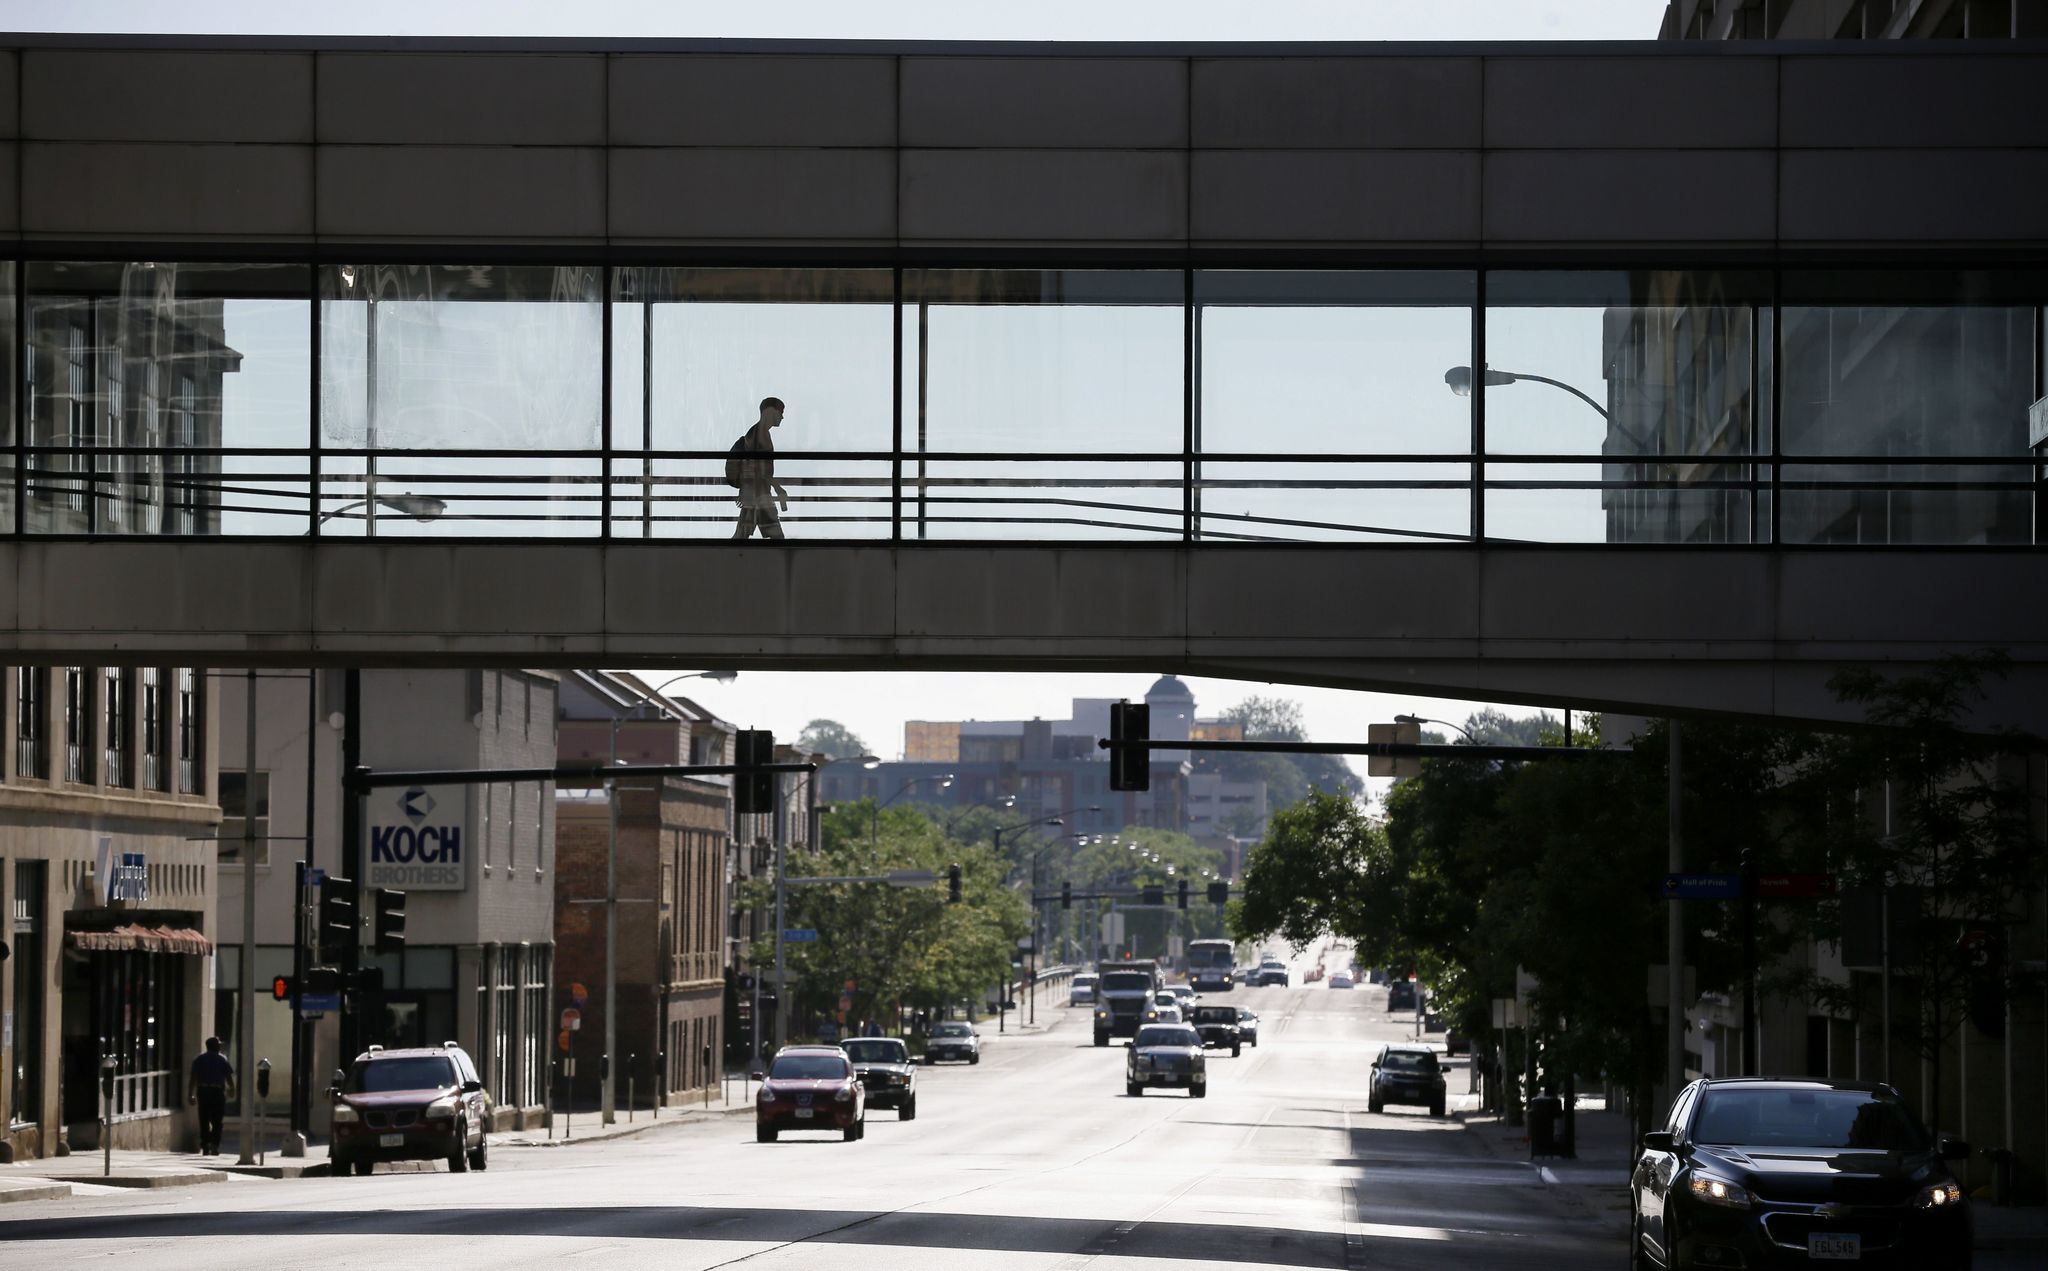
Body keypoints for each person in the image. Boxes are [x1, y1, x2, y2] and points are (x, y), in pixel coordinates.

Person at [731, 397, 791, 540]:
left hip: (754, 495)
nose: (782, 417)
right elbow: (759, 469)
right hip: (759, 496)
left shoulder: (757, 432)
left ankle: (725, 559)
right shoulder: (760, 434)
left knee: (740, 537)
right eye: (780, 412)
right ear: (770, 411)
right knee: (778, 541)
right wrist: (778, 487)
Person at [187, 1036, 235, 1154]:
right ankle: (214, 1144)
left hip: (203, 1091)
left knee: (204, 1119)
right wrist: (232, 1089)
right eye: (218, 1045)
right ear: (215, 1046)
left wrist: (190, 1094)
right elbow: (228, 1077)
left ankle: (206, 1144)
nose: (220, 1046)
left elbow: (193, 1078)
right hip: (217, 1092)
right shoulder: (222, 1059)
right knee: (217, 1120)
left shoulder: (199, 1059)